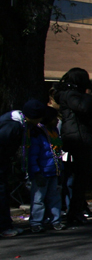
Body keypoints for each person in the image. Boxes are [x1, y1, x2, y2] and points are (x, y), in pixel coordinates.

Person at [55, 67, 92, 226]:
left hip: (79, 135)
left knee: (80, 177)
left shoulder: (70, 95)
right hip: (77, 138)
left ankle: (76, 209)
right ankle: (73, 211)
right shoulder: (71, 95)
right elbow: (83, 108)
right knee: (78, 176)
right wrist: (91, 97)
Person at [0, 100, 47, 237]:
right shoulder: (13, 126)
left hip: (3, 162)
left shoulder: (17, 122)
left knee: (4, 193)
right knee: (1, 194)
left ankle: (6, 224)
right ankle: (4, 227)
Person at [27, 107, 64, 233]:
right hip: (41, 171)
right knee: (38, 199)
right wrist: (36, 172)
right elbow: (32, 155)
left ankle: (55, 220)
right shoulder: (38, 134)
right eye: (54, 118)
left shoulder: (54, 132)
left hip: (54, 170)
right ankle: (36, 222)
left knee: (54, 197)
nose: (57, 121)